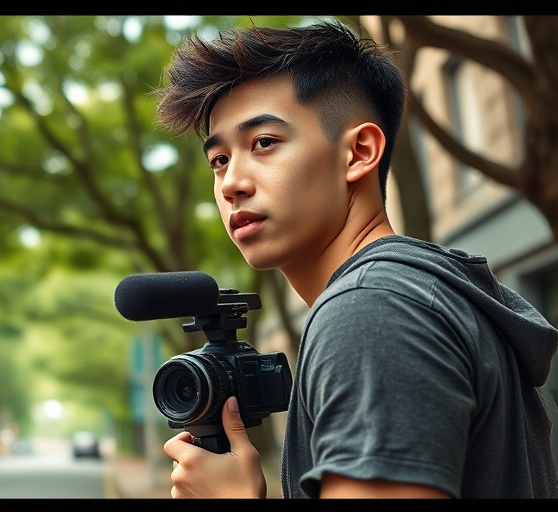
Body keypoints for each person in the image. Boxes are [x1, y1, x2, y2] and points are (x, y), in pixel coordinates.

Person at [154, 20, 558, 499]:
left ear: (358, 152)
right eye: (219, 159)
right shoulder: (419, 295)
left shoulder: (371, 312)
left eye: (264, 142)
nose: (231, 183)